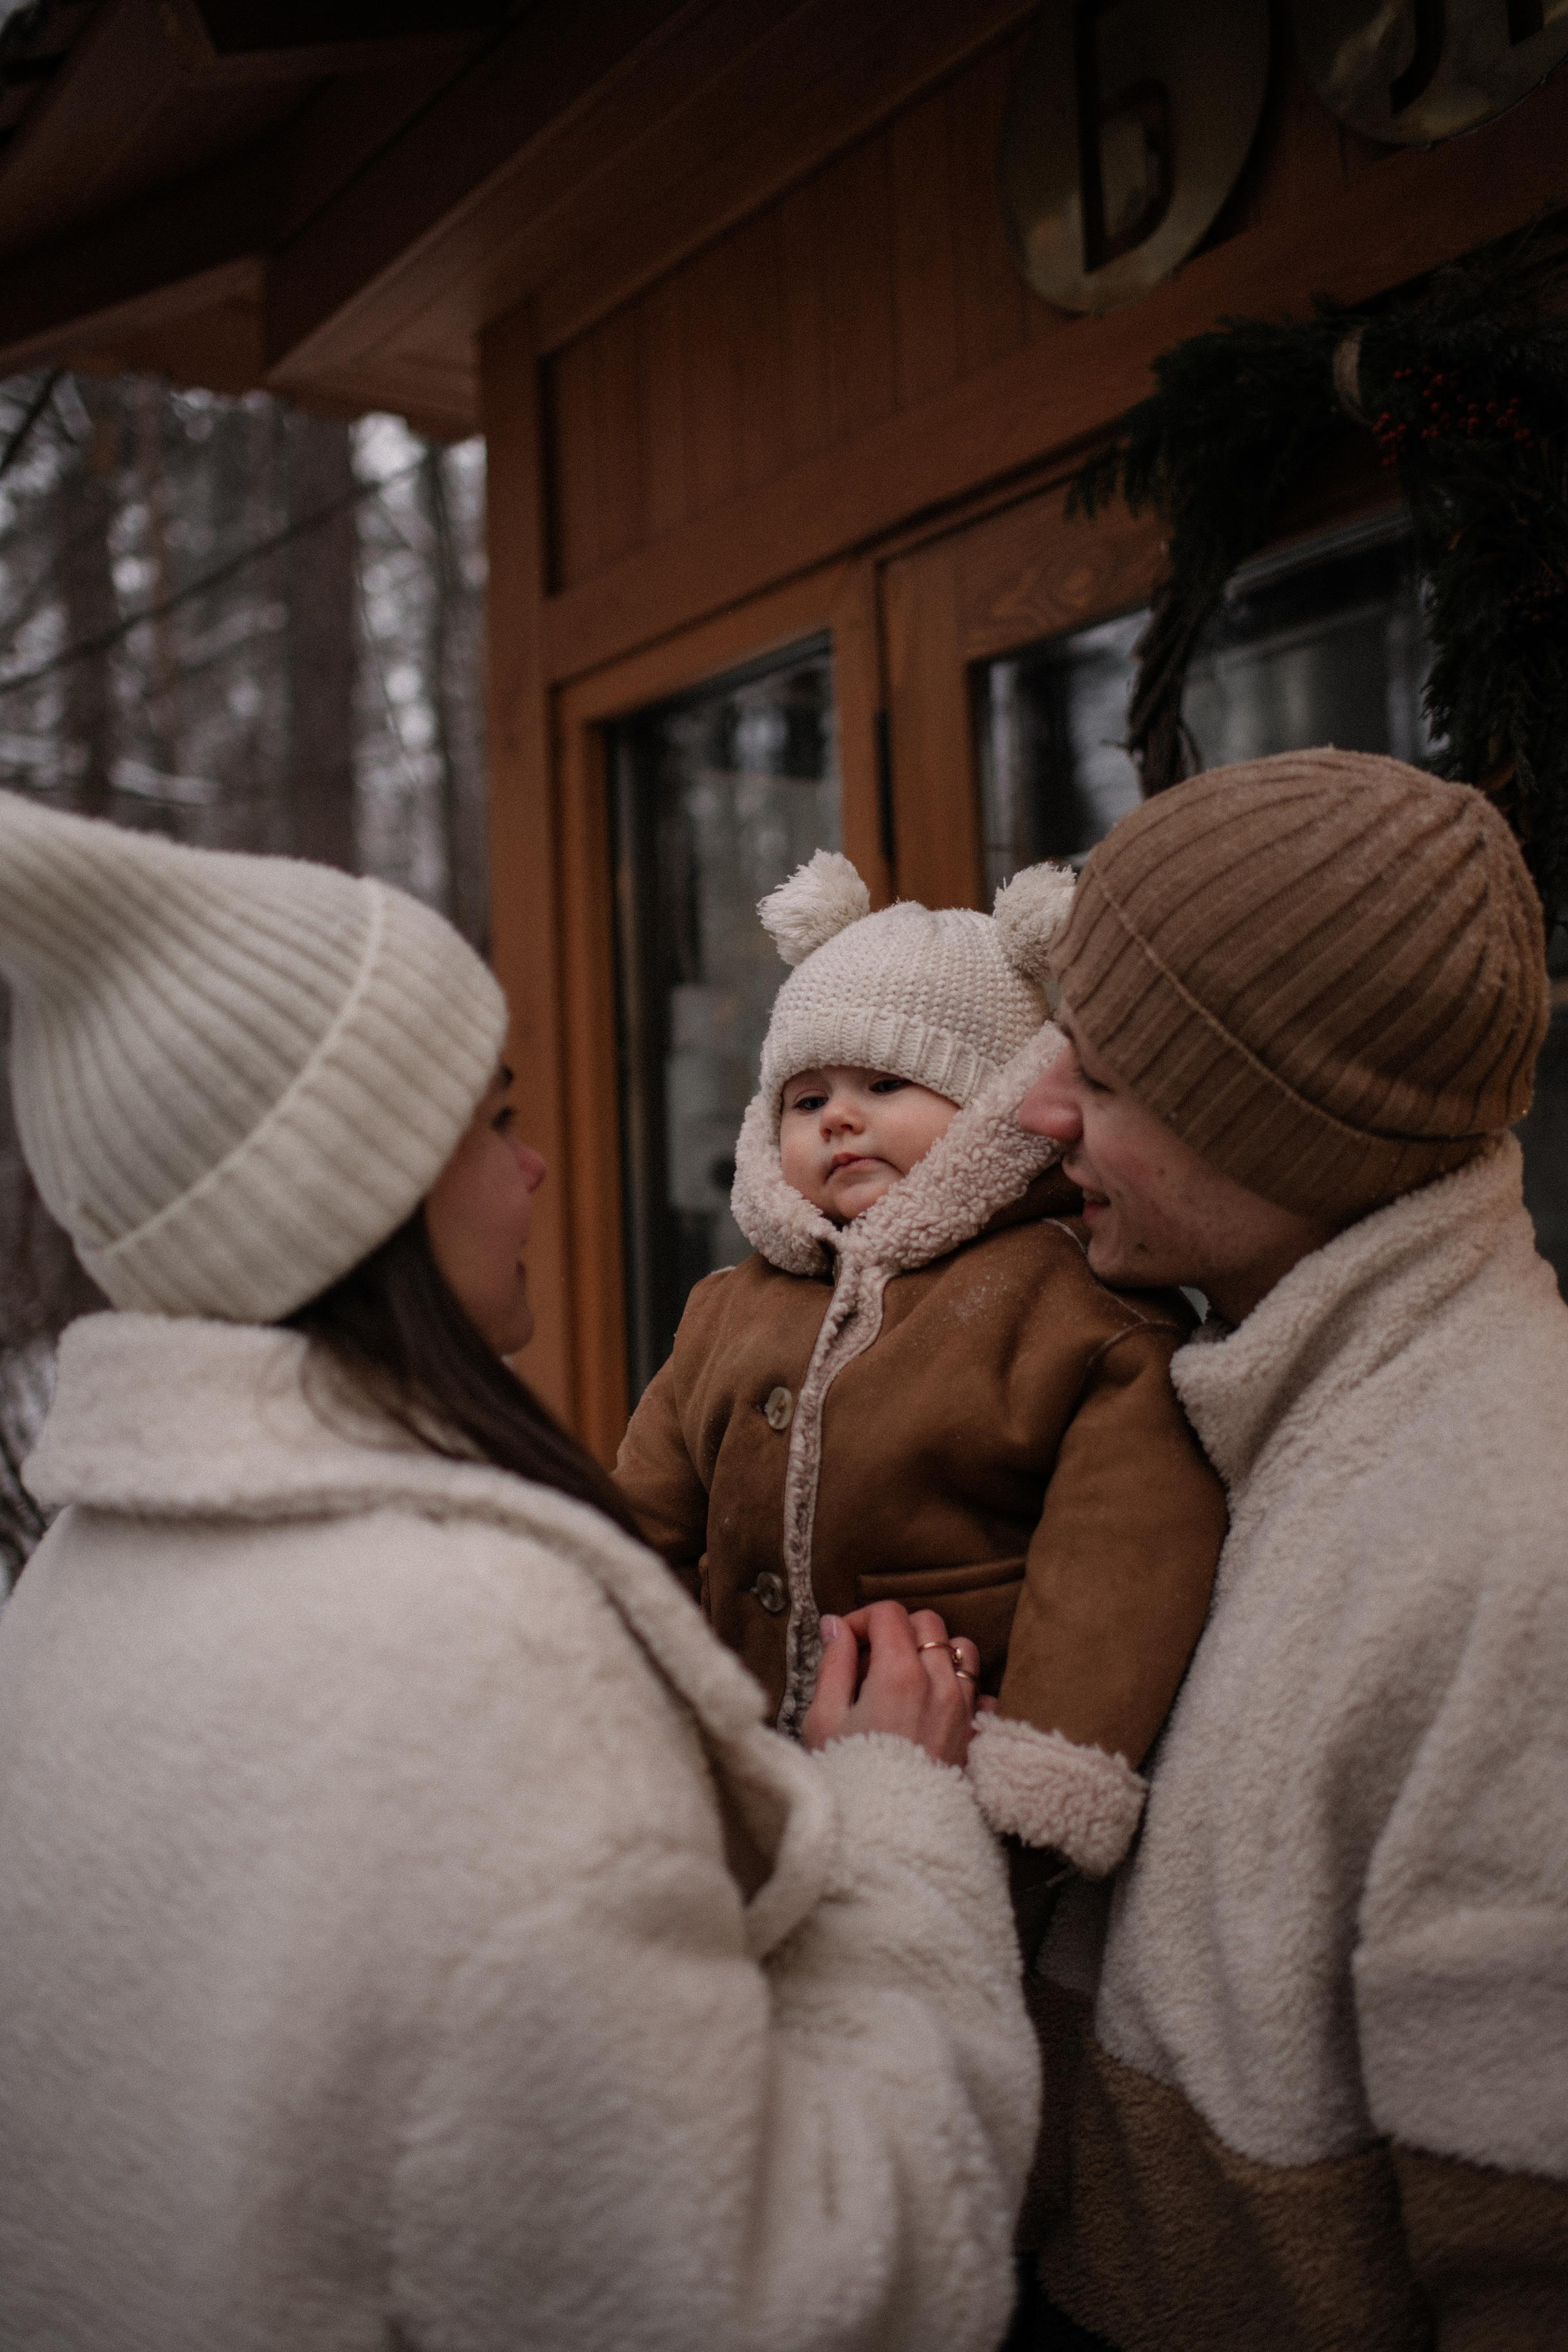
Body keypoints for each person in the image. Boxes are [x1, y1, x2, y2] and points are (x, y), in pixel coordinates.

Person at [0, 793, 1040, 2352]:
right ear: (362, 1192)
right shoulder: (479, 1655)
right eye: (491, 1123)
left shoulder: (80, 1585)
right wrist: (896, 1821)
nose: (542, 1167)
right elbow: (801, 2295)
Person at [1008, 748, 1567, 2352]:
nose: (1039, 1110)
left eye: (1103, 1079)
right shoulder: (1222, 1403)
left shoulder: (1511, 1545)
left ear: (1290, 1133)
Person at [617, 850, 1226, 1924]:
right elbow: (646, 1515)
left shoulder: (1078, 1312)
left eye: (885, 1086)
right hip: (738, 1780)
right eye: (807, 1100)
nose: (839, 1121)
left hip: (959, 1790)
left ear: (993, 1104)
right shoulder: (730, 1307)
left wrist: (1044, 1780)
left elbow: (1118, 1569)